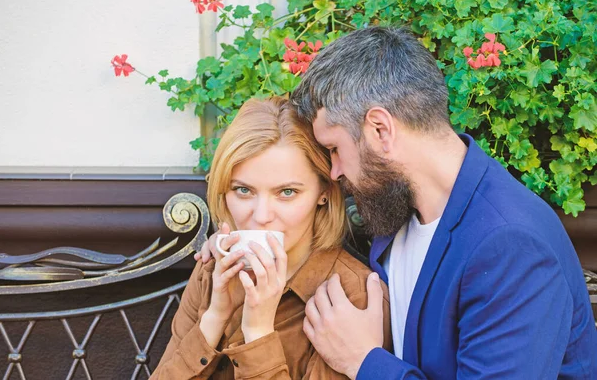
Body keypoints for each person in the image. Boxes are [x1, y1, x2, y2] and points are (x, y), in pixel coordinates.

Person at [286, 26, 596, 379]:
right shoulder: (396, 207)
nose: (335, 171)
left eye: (334, 149)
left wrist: (363, 360)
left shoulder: (510, 245)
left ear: (380, 130)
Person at [151, 97, 391, 379]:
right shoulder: (212, 270)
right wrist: (214, 318)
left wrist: (258, 332)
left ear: (324, 192)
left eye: (287, 192)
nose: (261, 215)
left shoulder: (350, 295)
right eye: (243, 190)